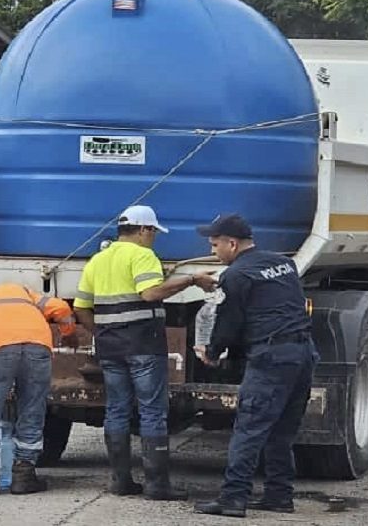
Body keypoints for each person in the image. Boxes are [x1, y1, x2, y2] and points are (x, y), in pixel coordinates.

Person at [74, 205, 217, 500]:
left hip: (111, 347)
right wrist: (192, 280)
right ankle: (157, 485)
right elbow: (150, 293)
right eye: (153, 232)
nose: (153, 237)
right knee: (152, 411)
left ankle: (120, 482)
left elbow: (81, 307)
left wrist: (101, 332)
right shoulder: (142, 255)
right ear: (143, 230)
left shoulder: (97, 260)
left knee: (116, 409)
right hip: (143, 345)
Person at [192, 214, 319, 518]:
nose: (213, 251)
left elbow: (229, 322)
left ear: (232, 244)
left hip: (271, 358)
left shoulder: (236, 275)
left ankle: (233, 498)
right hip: (303, 353)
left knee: (249, 429)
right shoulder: (284, 264)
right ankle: (279, 495)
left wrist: (212, 352)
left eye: (215, 245)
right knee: (282, 431)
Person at [0, 282, 78, 496]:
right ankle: (24, 477)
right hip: (38, 346)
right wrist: (68, 332)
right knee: (32, 410)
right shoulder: (21, 292)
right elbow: (62, 308)